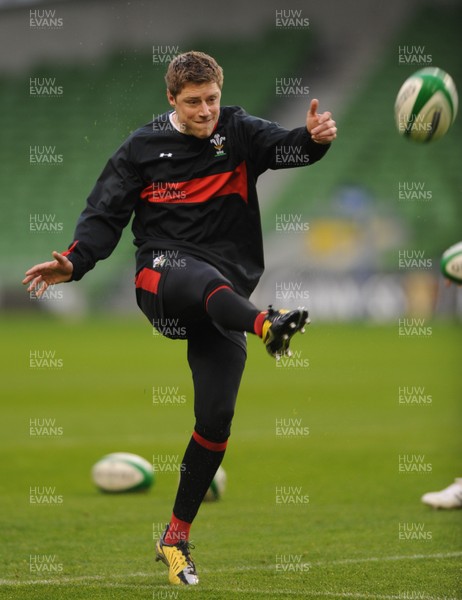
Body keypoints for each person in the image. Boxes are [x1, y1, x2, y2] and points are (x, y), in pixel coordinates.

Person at [22, 51, 337, 586]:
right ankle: (267, 325)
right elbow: (104, 214)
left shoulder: (236, 130)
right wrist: (73, 262)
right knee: (199, 277)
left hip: (223, 294)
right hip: (162, 278)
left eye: (211, 99)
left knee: (215, 420)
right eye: (193, 102)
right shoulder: (141, 148)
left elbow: (285, 147)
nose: (205, 111)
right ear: (172, 99)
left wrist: (313, 139)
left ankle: (174, 538)